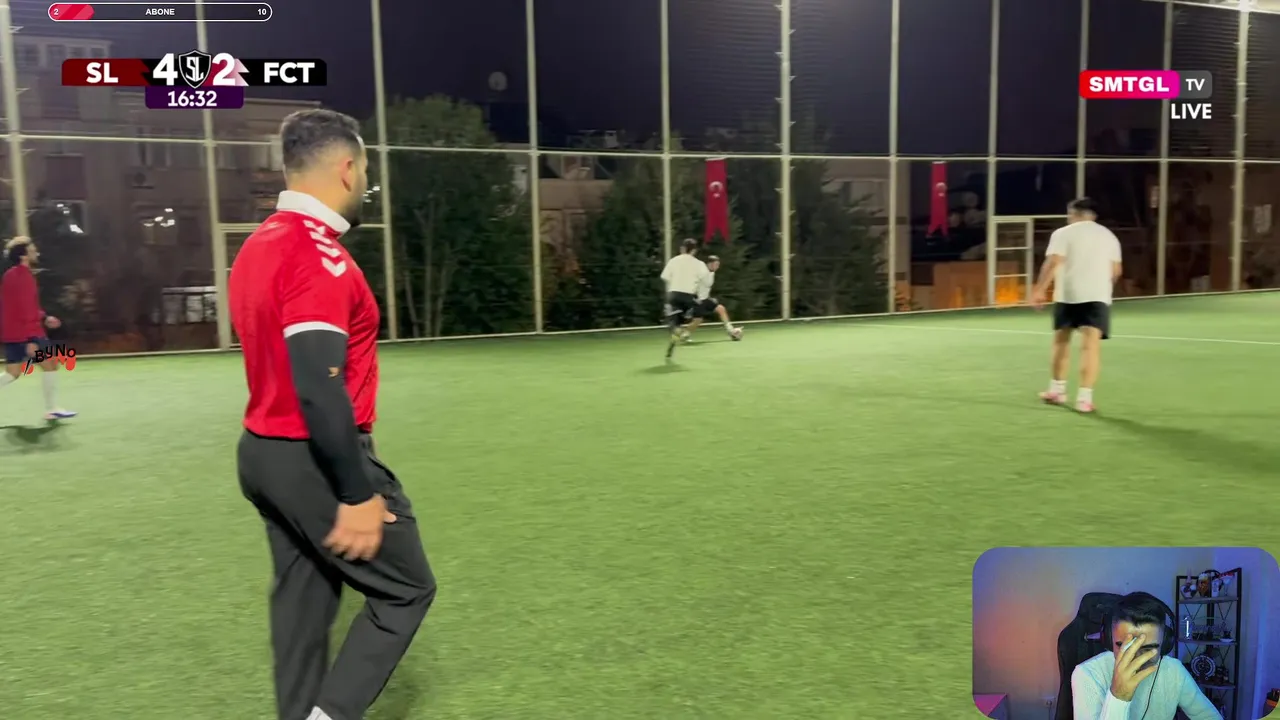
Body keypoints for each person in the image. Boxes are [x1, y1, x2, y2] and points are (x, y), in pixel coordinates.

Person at [229, 108, 436, 720]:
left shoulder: (258, 245)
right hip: (313, 457)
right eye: (365, 171)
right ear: (347, 169)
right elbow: (319, 387)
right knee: (407, 591)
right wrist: (355, 492)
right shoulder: (317, 255)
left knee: (305, 602)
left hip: (262, 452)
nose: (366, 184)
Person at [1030, 198, 1122, 414]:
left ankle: (1057, 391)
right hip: (1097, 296)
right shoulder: (1109, 236)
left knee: (1061, 342)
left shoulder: (1063, 233)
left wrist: (1039, 289)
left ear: (1074, 213)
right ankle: (1084, 400)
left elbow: (1053, 262)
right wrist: (1102, 286)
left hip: (1068, 295)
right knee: (1090, 347)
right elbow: (1116, 271)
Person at [1070, 592, 1220, 720]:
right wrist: (1118, 696)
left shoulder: (1174, 670)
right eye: (1126, 647)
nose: (1137, 658)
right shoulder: (1087, 674)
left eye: (1148, 648)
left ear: (1165, 643)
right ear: (1110, 640)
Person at [0, 236, 76, 421]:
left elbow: (23, 306)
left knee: (12, 373)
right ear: (23, 255)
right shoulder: (22, 276)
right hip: (26, 333)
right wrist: (31, 340)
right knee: (50, 364)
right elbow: (24, 309)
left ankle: (52, 409)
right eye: (32, 249)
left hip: (14, 333)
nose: (36, 251)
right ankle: (51, 410)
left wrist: (44, 317)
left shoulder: (13, 274)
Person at [660, 238, 709, 359]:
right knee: (693, 317)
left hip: (673, 295)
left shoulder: (673, 260)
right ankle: (681, 333)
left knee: (673, 321)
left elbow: (664, 276)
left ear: (682, 248)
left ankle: (675, 333)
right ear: (694, 250)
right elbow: (706, 281)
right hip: (688, 296)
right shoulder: (699, 264)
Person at [677, 254, 741, 342]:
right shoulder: (702, 272)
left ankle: (731, 331)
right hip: (698, 300)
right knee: (698, 320)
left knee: (720, 309)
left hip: (705, 299)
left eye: (718, 264)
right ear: (710, 264)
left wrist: (709, 298)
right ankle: (683, 335)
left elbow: (705, 287)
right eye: (716, 264)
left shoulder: (712, 273)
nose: (718, 267)